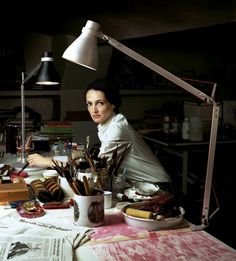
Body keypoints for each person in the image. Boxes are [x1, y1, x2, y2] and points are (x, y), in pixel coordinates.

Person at [28, 78, 172, 190]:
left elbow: (95, 170)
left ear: (113, 103)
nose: (93, 110)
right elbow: (96, 158)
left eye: (100, 103)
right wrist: (78, 154)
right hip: (139, 186)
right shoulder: (105, 124)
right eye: (89, 104)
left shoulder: (118, 127)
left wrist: (46, 161)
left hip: (157, 187)